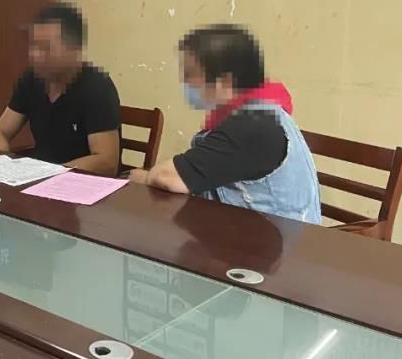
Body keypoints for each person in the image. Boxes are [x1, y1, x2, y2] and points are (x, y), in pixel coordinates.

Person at [130, 24, 321, 223]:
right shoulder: (258, 111)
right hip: (245, 228)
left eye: (190, 74)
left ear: (226, 80)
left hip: (274, 239)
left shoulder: (252, 125)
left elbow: (169, 178)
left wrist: (142, 177)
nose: (185, 83)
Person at [0, 3, 121, 177]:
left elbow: (106, 161)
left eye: (45, 48)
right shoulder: (31, 80)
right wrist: (4, 167)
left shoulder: (97, 87)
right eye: (33, 46)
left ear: (75, 49)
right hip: (38, 179)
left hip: (80, 184)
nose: (35, 55)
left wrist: (50, 174)